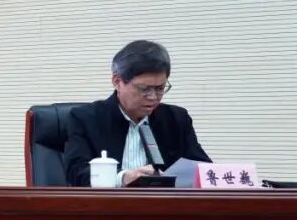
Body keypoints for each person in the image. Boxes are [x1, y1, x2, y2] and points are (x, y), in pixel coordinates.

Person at [64, 40, 210, 187]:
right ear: (117, 82)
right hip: (108, 201)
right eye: (144, 89)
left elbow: (204, 171)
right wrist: (122, 178)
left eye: (160, 88)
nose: (153, 97)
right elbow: (76, 173)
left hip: (163, 201)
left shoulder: (176, 119)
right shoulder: (85, 118)